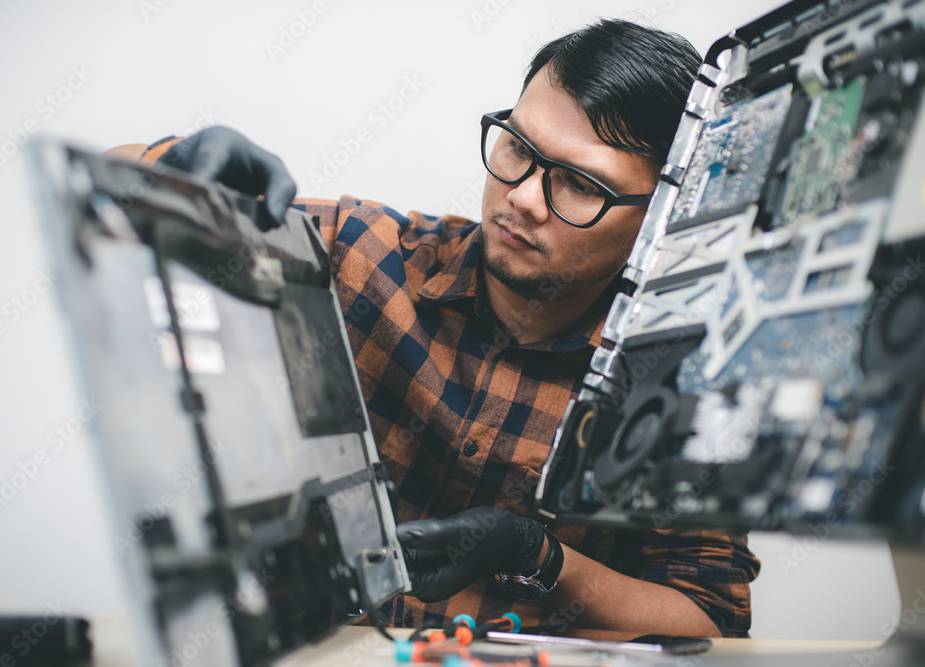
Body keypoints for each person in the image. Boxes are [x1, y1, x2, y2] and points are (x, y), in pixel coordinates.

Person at [107, 19, 760, 638]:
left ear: (660, 215)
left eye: (580, 184)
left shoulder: (678, 377)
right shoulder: (361, 258)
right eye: (518, 148)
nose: (525, 197)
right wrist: (173, 167)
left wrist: (539, 556)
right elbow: (110, 199)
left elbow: (711, 617)